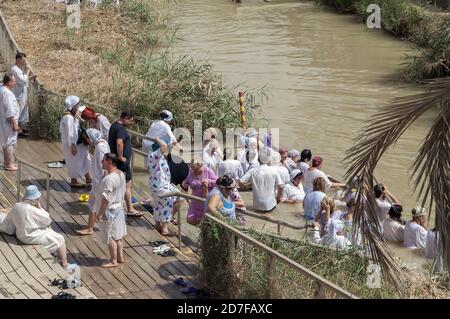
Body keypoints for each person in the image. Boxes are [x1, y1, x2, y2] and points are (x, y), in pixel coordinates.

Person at [5, 185, 77, 272]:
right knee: (60, 239)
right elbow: (47, 220)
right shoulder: (32, 210)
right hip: (31, 237)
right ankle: (65, 265)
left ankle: (55, 256)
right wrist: (40, 208)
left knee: (49, 233)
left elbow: (9, 219)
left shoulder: (17, 206)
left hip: (20, 235)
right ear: (35, 199)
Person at [96, 153, 127, 268]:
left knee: (110, 236)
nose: (101, 162)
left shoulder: (109, 178)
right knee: (118, 235)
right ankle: (120, 257)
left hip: (110, 209)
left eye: (103, 160)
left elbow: (106, 197)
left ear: (109, 162)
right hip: (119, 206)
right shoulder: (120, 173)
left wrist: (100, 213)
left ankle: (113, 260)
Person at [108, 111, 142, 217]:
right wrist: (121, 156)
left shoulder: (114, 125)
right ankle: (129, 209)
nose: (131, 123)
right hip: (121, 162)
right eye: (131, 120)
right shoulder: (121, 129)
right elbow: (119, 142)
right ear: (125, 118)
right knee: (127, 184)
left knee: (122, 184)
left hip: (115, 160)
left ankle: (123, 206)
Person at [77, 129, 110, 235]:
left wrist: (103, 180)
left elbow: (103, 165)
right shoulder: (104, 142)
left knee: (93, 203)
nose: (87, 141)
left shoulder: (100, 147)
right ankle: (94, 226)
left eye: (87, 138)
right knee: (99, 204)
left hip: (99, 181)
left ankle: (90, 228)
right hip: (101, 180)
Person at [147, 136, 182, 236]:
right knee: (167, 203)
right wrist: (157, 138)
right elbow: (164, 145)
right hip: (161, 187)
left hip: (157, 186)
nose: (167, 149)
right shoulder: (154, 156)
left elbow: (166, 146)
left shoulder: (157, 157)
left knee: (159, 205)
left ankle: (158, 225)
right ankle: (165, 229)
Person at [59, 95, 91, 187]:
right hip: (72, 143)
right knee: (74, 161)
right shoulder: (68, 117)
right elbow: (71, 132)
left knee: (84, 158)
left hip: (76, 142)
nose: (78, 106)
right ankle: (74, 180)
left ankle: (88, 178)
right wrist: (72, 145)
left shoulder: (72, 115)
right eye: (77, 104)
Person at [239, 147, 283, 213]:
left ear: (259, 159)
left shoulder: (253, 171)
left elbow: (240, 181)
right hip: (271, 204)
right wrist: (278, 199)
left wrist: (247, 187)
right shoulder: (274, 170)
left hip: (257, 205)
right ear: (269, 160)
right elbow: (281, 186)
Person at [181, 160, 217, 225]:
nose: (194, 172)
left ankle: (203, 232)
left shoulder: (207, 170)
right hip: (195, 201)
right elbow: (185, 185)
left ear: (201, 166)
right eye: (193, 169)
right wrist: (188, 200)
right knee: (190, 219)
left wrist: (209, 181)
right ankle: (202, 229)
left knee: (206, 220)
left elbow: (217, 182)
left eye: (196, 169)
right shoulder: (191, 171)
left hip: (205, 199)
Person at [10, 52, 36, 137]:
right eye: (23, 60)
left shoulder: (19, 69)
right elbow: (22, 80)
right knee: (18, 112)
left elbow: (24, 78)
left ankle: (20, 128)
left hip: (23, 93)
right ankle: (17, 130)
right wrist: (28, 70)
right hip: (18, 94)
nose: (24, 62)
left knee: (23, 112)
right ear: (18, 59)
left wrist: (30, 77)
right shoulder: (14, 69)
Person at [0, 72, 20, 171]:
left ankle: (7, 163)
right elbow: (10, 111)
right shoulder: (7, 93)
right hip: (8, 122)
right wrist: (15, 124)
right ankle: (8, 164)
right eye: (14, 81)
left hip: (4, 120)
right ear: (9, 82)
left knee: (5, 142)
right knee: (9, 142)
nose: (15, 83)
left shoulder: (2, 89)